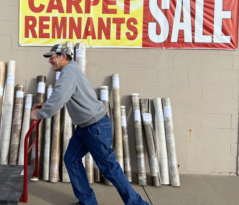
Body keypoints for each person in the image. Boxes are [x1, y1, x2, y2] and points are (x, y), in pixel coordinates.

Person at [31, 43, 150, 205]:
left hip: (95, 127)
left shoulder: (68, 73)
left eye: (52, 57)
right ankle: (88, 202)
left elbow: (59, 96)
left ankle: (139, 204)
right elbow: (64, 95)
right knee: (71, 159)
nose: (50, 61)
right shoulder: (71, 70)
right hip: (85, 127)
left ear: (63, 56)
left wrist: (39, 114)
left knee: (110, 169)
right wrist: (45, 105)